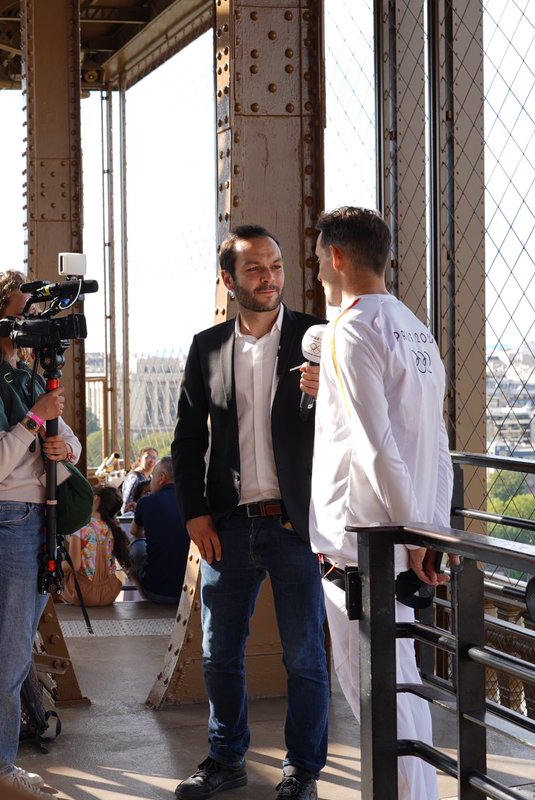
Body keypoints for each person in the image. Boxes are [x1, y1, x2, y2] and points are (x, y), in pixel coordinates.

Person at [171, 225, 330, 800]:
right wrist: (194, 514)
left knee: (305, 657)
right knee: (219, 654)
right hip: (229, 525)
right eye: (256, 268)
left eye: (277, 265)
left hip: (297, 525)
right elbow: (187, 439)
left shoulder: (320, 338)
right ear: (228, 279)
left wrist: (332, 392)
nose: (270, 278)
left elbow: (356, 424)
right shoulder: (207, 347)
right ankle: (226, 758)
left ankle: (303, 771)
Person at [308, 206, 452, 800]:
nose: (318, 272)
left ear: (339, 257)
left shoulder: (349, 329)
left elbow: (375, 446)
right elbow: (437, 446)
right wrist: (430, 533)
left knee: (374, 692)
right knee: (402, 684)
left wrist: (414, 533)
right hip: (401, 539)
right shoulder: (415, 328)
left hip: (362, 542)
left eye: (319, 260)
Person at [0, 270, 82, 794]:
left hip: (32, 523)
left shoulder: (25, 376)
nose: (31, 317)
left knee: (10, 653)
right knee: (7, 658)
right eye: (20, 308)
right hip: (3, 523)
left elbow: (71, 442)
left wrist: (61, 446)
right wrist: (33, 422)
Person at [128, 457, 191, 604]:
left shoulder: (145, 502)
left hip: (155, 592)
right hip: (189, 592)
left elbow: (134, 532)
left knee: (135, 544)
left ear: (161, 478)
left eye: (152, 478)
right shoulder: (192, 501)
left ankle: (143, 594)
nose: (150, 483)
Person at [59, 486, 128, 607]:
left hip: (83, 593)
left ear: (95, 498)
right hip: (109, 593)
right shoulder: (110, 529)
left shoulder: (80, 527)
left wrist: (56, 567)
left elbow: (73, 565)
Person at [120, 446, 158, 511]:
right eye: (147, 457)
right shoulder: (134, 477)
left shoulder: (149, 477)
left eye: (154, 458)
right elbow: (127, 503)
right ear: (139, 460)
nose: (151, 461)